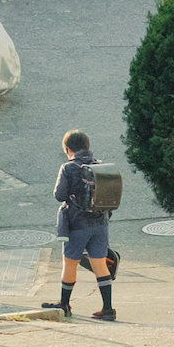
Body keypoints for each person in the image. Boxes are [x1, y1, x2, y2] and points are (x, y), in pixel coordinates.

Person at [43, 128, 116, 321]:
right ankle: (108, 309)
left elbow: (59, 195)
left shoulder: (68, 168)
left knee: (70, 264)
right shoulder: (100, 166)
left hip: (77, 225)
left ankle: (64, 303)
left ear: (68, 149)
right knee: (100, 265)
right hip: (101, 223)